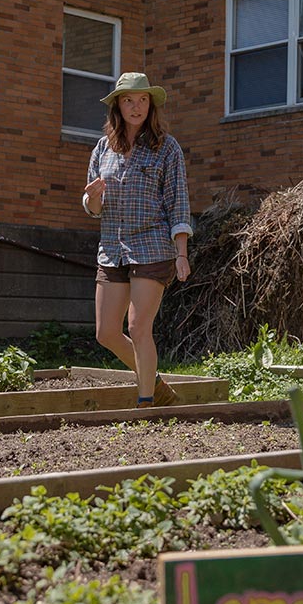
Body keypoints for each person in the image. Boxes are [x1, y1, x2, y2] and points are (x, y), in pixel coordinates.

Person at [82, 72, 192, 408]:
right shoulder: (103, 148)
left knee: (139, 326)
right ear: (117, 105)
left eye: (143, 100)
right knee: (107, 333)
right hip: (112, 249)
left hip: (152, 248)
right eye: (129, 100)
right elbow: (92, 208)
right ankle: (156, 384)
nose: (136, 106)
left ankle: (146, 403)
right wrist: (93, 197)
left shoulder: (166, 147)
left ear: (151, 105)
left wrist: (182, 253)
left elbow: (178, 202)